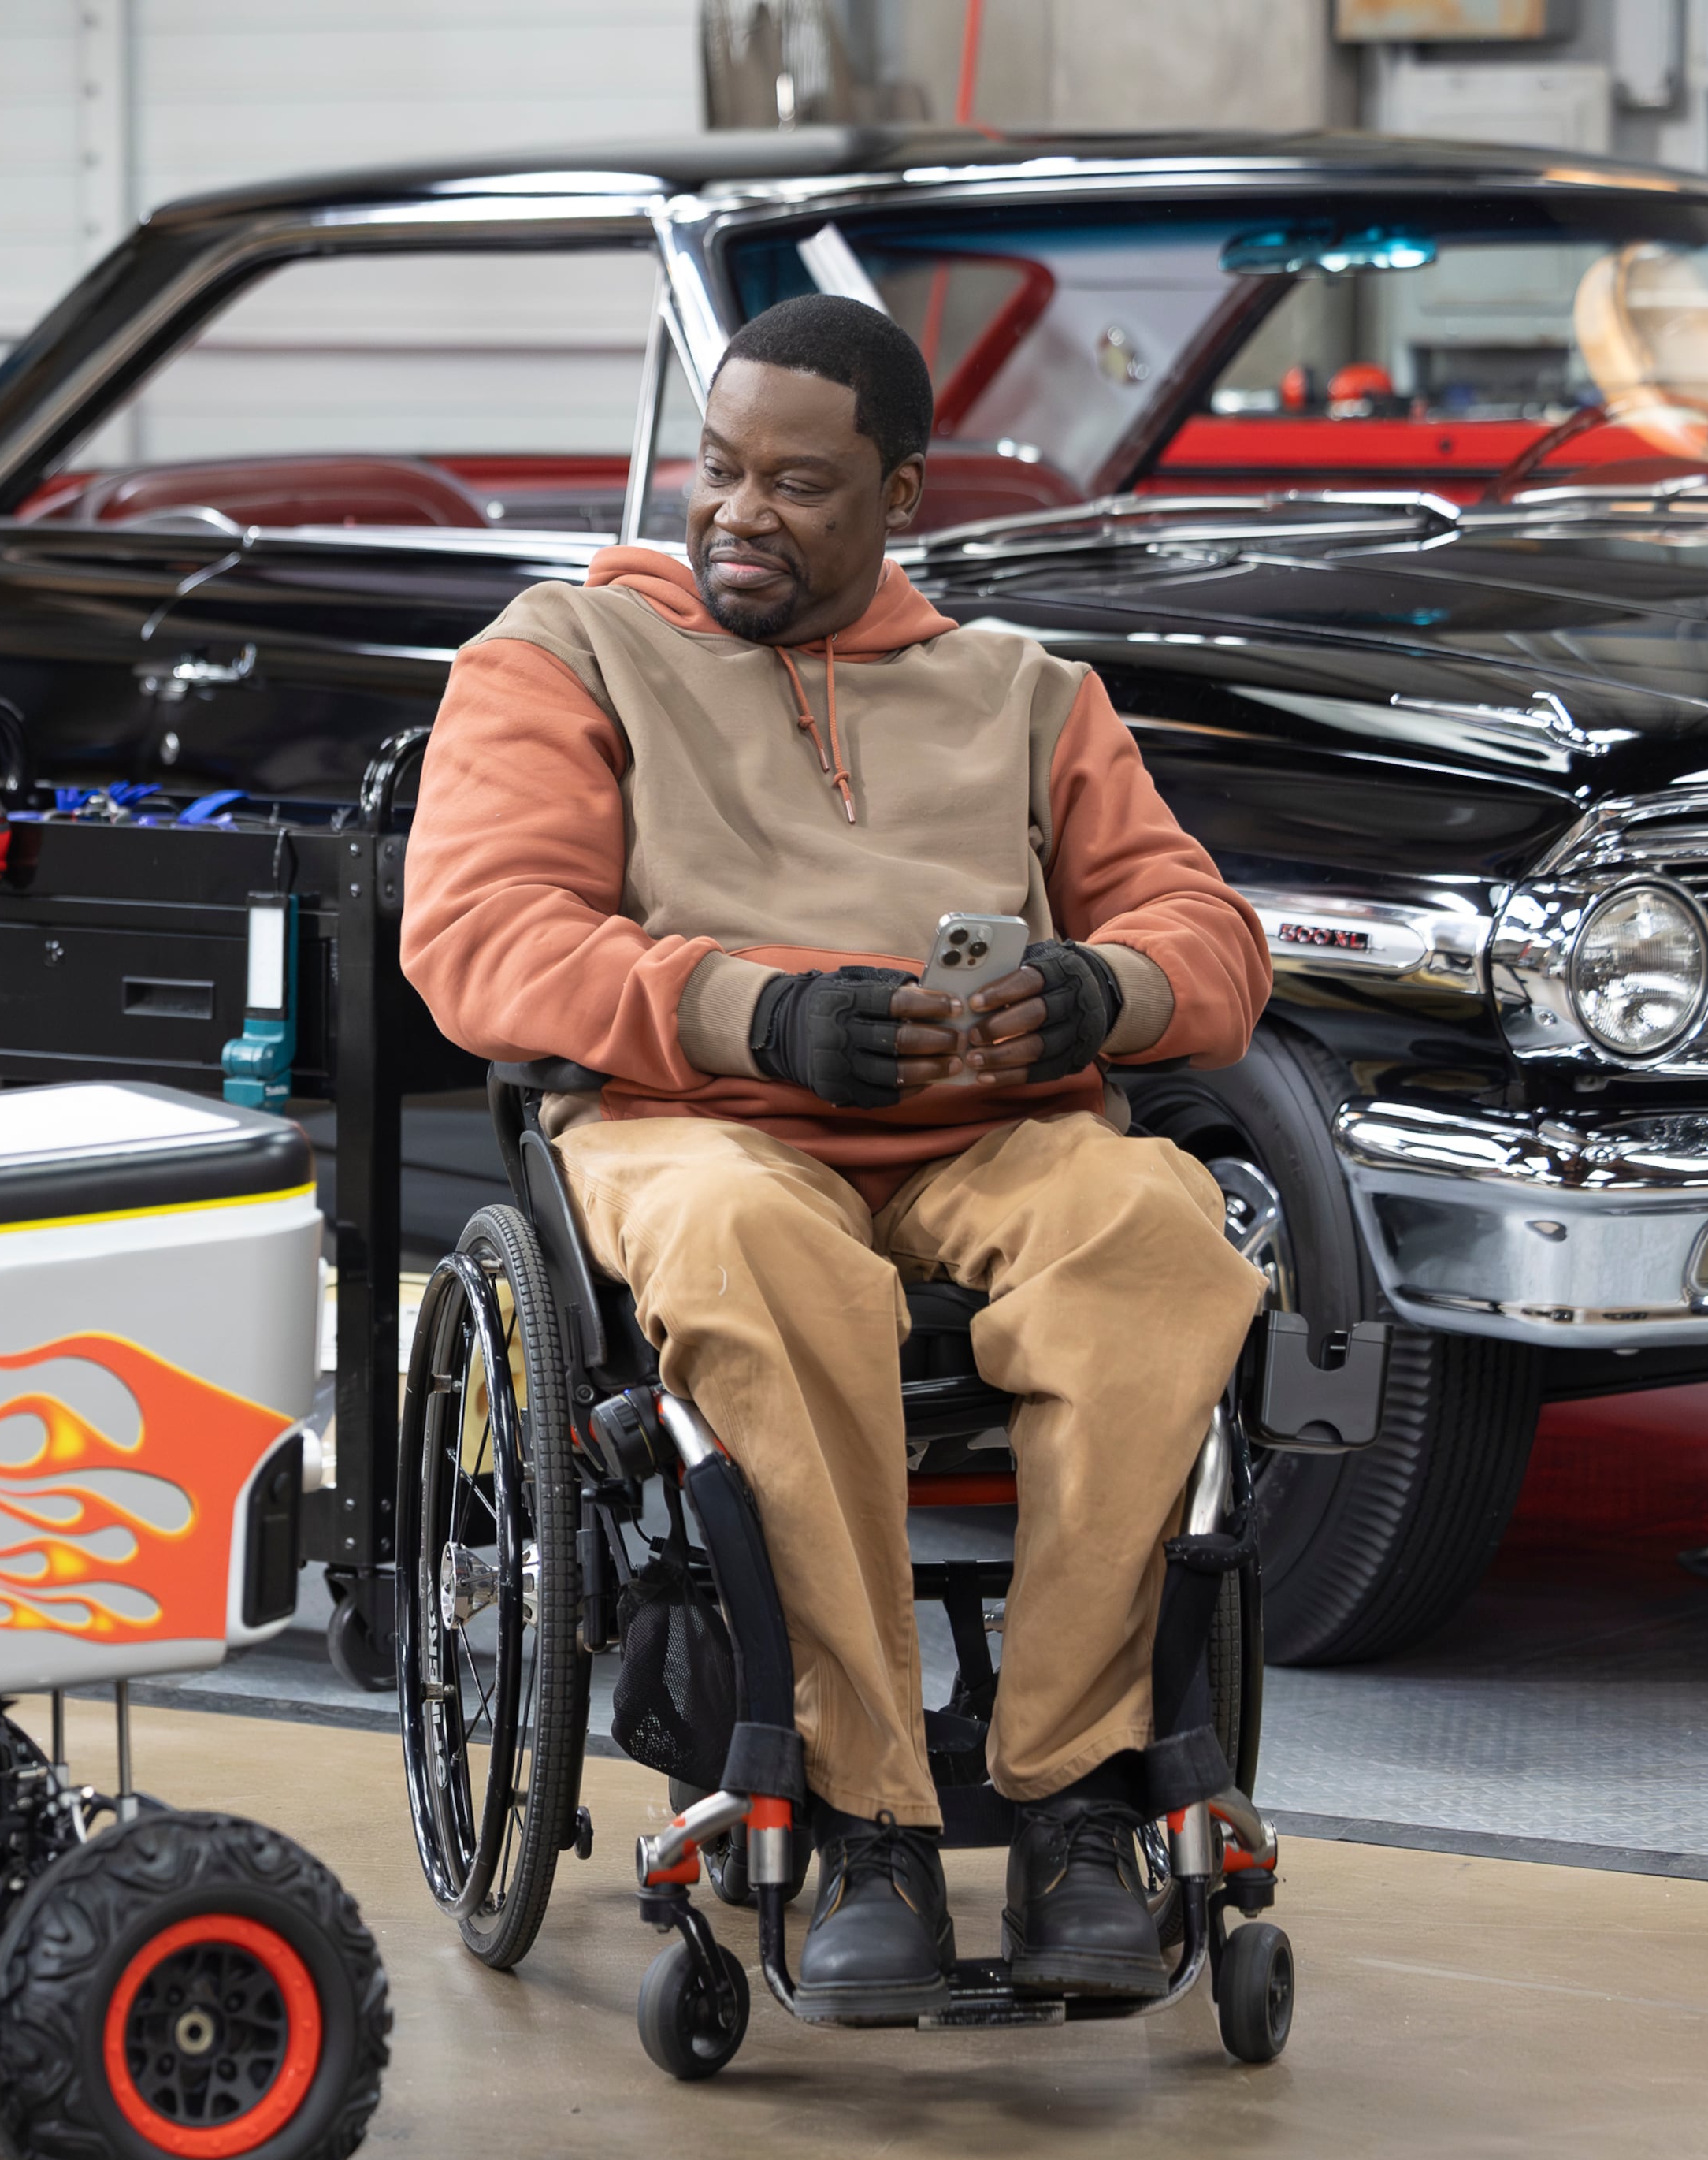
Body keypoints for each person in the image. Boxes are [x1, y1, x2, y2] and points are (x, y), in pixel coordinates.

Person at [400, 294, 1272, 2008]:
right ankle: (867, 1816)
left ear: (901, 496)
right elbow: (480, 937)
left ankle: (1076, 1799)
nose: (740, 512)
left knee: (1159, 1238)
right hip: (695, 1122)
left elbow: (1216, 946)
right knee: (760, 1250)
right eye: (719, 467)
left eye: (798, 485)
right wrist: (756, 1013)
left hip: (990, 1130)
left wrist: (1096, 993)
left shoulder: (1026, 693)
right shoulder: (566, 654)